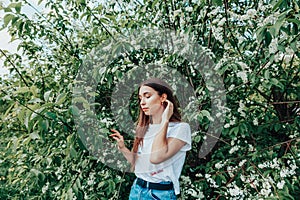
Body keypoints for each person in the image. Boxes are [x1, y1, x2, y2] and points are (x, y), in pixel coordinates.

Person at [110, 78, 191, 199]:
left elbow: (156, 157)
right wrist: (122, 147)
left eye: (147, 96)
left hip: (159, 194)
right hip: (137, 189)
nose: (142, 102)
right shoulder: (145, 128)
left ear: (163, 98)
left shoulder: (181, 129)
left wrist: (165, 120)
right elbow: (137, 163)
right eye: (140, 98)